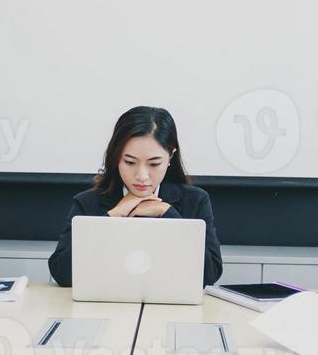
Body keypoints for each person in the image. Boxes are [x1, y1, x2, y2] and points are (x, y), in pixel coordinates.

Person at [48, 106, 223, 288]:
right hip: (105, 305)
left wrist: (168, 213)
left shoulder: (195, 201)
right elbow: (62, 274)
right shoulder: (87, 203)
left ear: (170, 156)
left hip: (171, 308)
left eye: (154, 163)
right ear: (116, 157)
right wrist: (113, 216)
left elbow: (209, 274)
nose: (142, 176)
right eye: (129, 162)